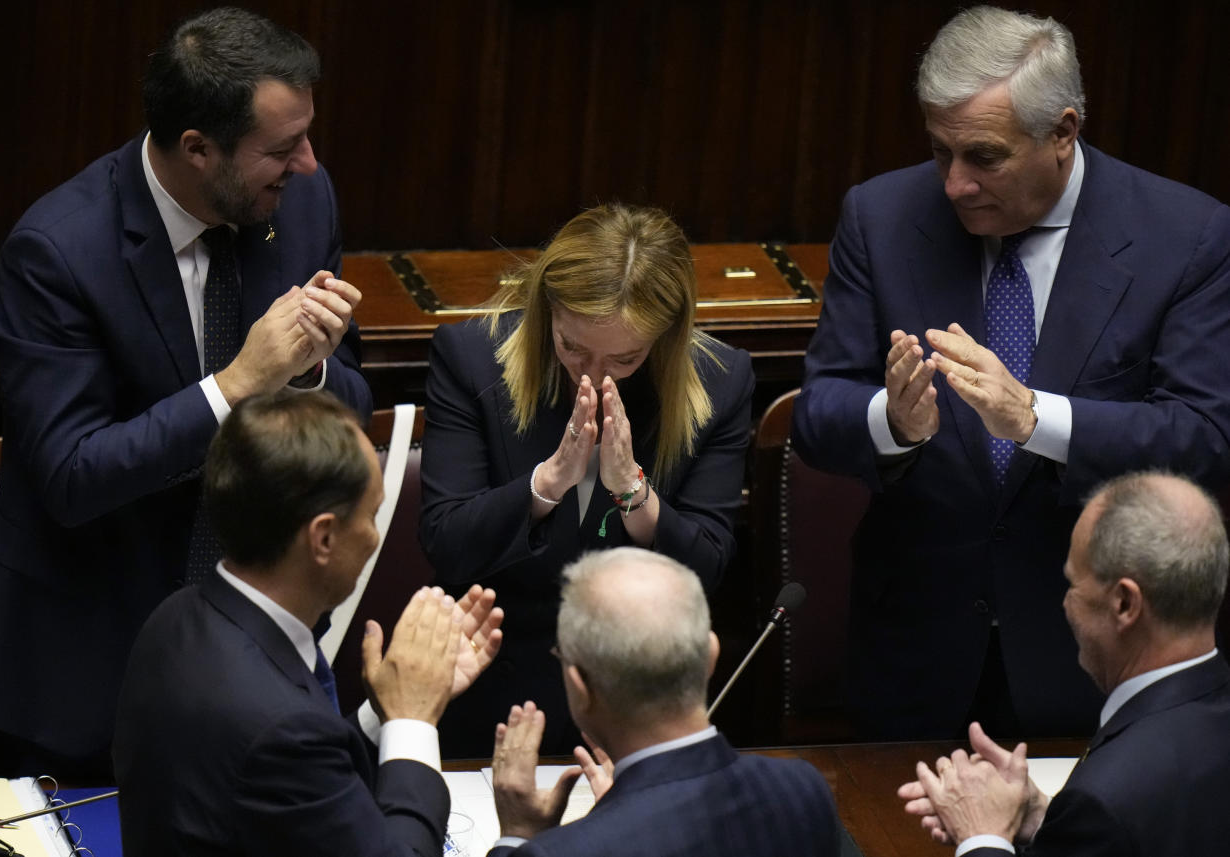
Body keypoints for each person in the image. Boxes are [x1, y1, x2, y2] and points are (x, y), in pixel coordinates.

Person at [791, 5, 1230, 740]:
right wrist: (894, 422)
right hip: (913, 661)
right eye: (940, 153)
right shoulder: (882, 216)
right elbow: (818, 412)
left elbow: (1202, 437)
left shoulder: (1185, 237)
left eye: (984, 157)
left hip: (1092, 660)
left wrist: (1034, 418)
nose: (956, 184)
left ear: (1063, 132)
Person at [0, 7, 373, 777]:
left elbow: (350, 399)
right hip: (90, 667)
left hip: (260, 659)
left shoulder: (303, 201)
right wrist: (237, 384)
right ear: (198, 148)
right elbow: (72, 474)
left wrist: (309, 372)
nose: (307, 163)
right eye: (282, 146)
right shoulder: (57, 253)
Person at [420, 204, 754, 755]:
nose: (594, 376)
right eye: (572, 347)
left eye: (624, 358)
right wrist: (548, 482)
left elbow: (707, 569)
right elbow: (447, 544)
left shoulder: (718, 381)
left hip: (643, 698)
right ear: (547, 309)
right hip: (495, 682)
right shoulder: (473, 360)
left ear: (663, 338)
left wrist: (633, 492)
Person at [114, 390, 503, 856]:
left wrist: (385, 710)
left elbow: (305, 793)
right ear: (323, 537)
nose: (376, 537)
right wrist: (412, 720)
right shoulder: (281, 732)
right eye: (372, 516)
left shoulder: (175, 620)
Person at [897, 471, 1230, 856]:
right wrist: (1047, 820)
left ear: (1124, 604)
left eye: (1072, 585)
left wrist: (982, 834)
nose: (1064, 604)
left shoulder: (1106, 797)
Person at [487, 547, 837, 856]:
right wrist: (621, 807)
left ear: (581, 686)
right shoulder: (804, 788)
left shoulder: (562, 851)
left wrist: (518, 837)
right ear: (711, 657)